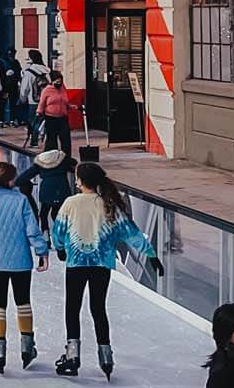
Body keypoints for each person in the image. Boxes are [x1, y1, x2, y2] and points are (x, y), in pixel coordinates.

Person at [51, 162, 164, 378]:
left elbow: (59, 230)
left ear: (81, 181)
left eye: (77, 177)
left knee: (72, 307)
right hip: (101, 265)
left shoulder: (71, 203)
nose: (75, 181)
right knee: (98, 308)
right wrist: (151, 255)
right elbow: (130, 232)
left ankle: (72, 354)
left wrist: (59, 248)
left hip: (77, 263)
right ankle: (106, 355)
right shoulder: (108, 204)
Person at [0, 161, 50, 372]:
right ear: (11, 180)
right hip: (20, 260)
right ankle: (27, 346)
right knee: (23, 301)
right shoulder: (21, 200)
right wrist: (42, 252)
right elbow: (32, 230)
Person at [15, 147, 76, 237]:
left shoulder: (39, 164)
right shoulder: (62, 160)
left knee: (44, 214)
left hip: (46, 192)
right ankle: (62, 235)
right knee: (58, 214)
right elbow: (74, 164)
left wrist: (21, 184)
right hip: (62, 190)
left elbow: (23, 178)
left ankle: (45, 233)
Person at [19, 50, 52, 145]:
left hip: (33, 100)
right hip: (46, 100)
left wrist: (22, 99)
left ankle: (34, 141)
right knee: (44, 121)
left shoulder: (29, 72)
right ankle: (45, 138)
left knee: (33, 121)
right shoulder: (47, 70)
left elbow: (25, 88)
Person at [36, 71, 73, 155]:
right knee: (51, 140)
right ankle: (51, 157)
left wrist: (72, 106)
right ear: (52, 81)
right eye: (57, 82)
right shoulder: (47, 90)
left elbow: (65, 101)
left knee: (66, 140)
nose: (59, 83)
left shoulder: (63, 89)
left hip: (63, 117)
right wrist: (39, 112)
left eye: (60, 82)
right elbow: (42, 103)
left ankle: (66, 159)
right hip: (51, 118)